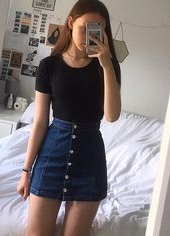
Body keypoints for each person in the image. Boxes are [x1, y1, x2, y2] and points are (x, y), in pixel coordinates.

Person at [17, 0, 121, 235]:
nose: (89, 36)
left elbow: (112, 116)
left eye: (98, 29)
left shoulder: (108, 67)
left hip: (89, 161)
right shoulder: (48, 66)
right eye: (86, 27)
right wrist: (26, 171)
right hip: (51, 155)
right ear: (71, 22)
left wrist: (106, 65)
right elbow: (41, 122)